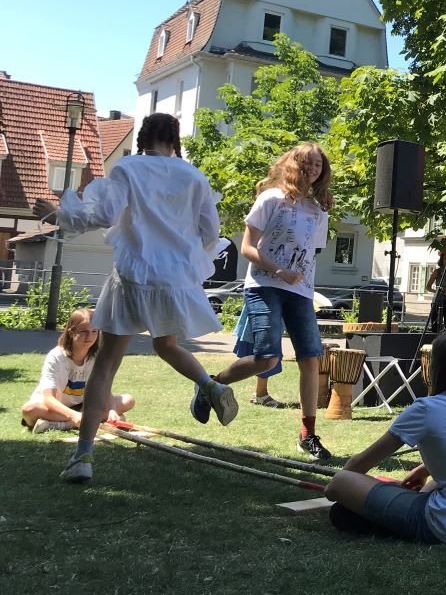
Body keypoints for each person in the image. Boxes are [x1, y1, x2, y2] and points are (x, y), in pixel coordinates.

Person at [33, 113, 238, 484]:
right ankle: (211, 385)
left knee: (107, 364)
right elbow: (211, 232)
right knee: (166, 345)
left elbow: (103, 213)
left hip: (132, 277)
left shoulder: (128, 168)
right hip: (172, 279)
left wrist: (58, 214)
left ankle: (82, 457)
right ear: (175, 140)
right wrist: (184, 263)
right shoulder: (194, 177)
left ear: (142, 138)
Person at [197, 142, 334, 460]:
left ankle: (307, 435)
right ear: (294, 164)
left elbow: (313, 251)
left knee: (311, 359)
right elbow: (246, 247)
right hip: (264, 285)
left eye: (319, 165)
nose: (314, 169)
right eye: (308, 163)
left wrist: (299, 275)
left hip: (300, 291)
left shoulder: (318, 209)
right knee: (267, 358)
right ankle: (211, 385)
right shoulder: (271, 198)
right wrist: (279, 270)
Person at [324, 330, 446, 543]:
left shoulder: (426, 409)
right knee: (431, 485)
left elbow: (361, 463)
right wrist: (423, 470)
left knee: (341, 482)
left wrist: (342, 490)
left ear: (435, 367)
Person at [20, 308, 135, 433]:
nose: (89, 336)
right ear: (71, 332)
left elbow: (103, 388)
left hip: (83, 407)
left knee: (128, 400)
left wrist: (112, 410)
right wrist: (73, 416)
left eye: (94, 331)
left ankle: (61, 424)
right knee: (29, 410)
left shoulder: (96, 357)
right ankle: (82, 421)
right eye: (83, 331)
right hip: (55, 408)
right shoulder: (56, 357)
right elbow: (49, 399)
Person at [231, 303, 286, 408]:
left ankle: (260, 392)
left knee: (264, 356)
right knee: (265, 356)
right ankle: (214, 384)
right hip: (263, 311)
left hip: (262, 309)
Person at [425, 242, 446, 331]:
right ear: (442, 260)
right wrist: (437, 291)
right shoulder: (437, 271)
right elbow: (428, 286)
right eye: (445, 259)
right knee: (435, 322)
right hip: (437, 298)